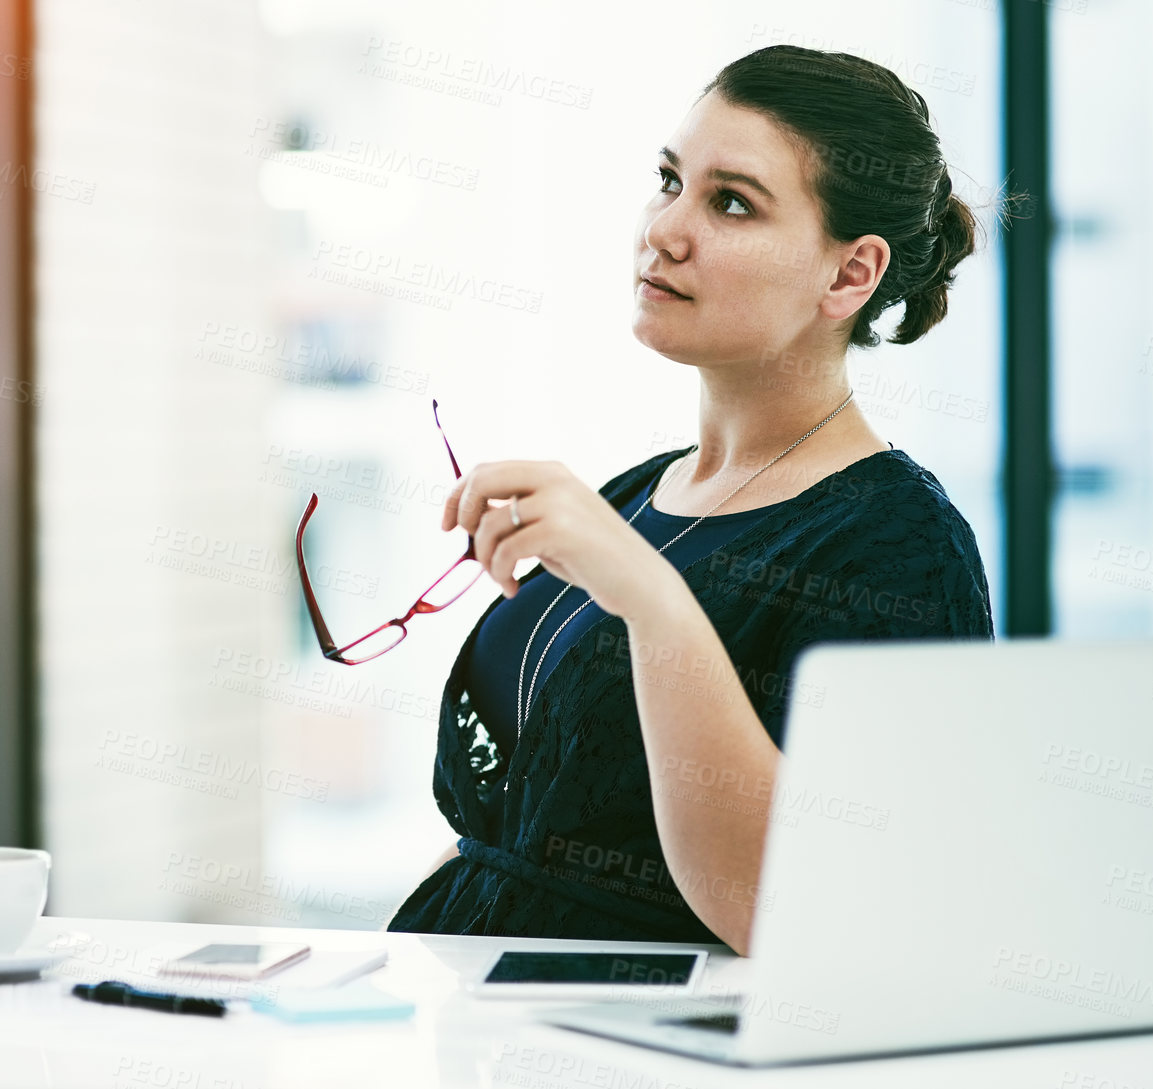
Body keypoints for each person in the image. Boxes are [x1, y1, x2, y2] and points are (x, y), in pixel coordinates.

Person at [386, 45, 995, 955]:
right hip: (466, 1019)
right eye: (668, 181)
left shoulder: (897, 547)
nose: (665, 231)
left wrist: (654, 603)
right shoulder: (635, 495)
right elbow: (512, 832)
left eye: (731, 203)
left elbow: (800, 919)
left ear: (849, 275)